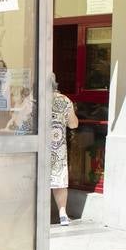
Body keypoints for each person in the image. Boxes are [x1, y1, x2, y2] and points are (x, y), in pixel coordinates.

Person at [49, 72, 79, 226]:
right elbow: (73, 124)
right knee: (59, 180)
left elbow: (22, 123)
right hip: (57, 147)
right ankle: (62, 214)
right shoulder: (65, 100)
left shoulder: (33, 100)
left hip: (38, 146)